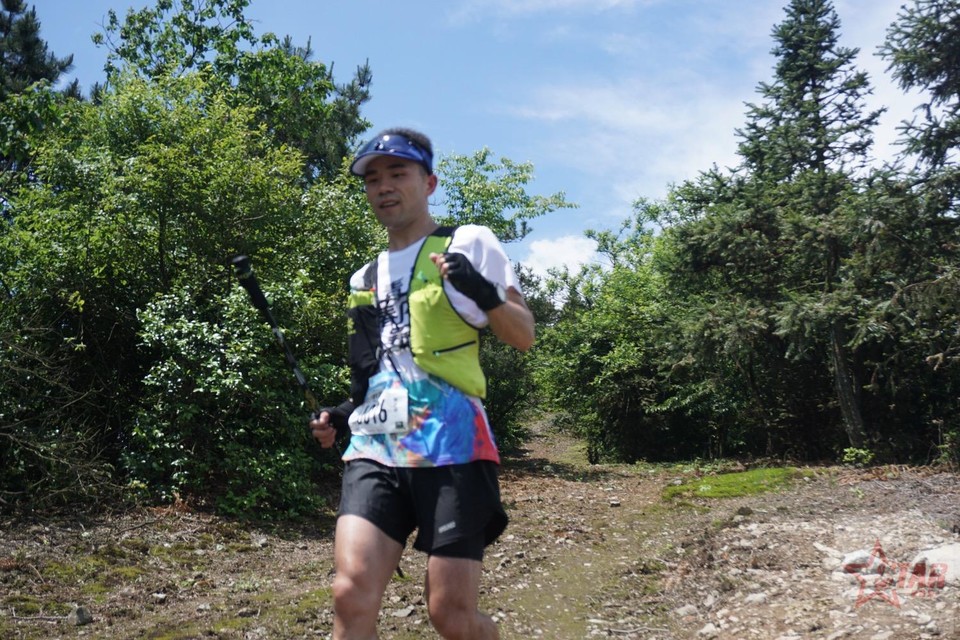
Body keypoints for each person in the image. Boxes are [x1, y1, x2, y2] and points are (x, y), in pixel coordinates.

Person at [309, 127, 535, 640]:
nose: (384, 186)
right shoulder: (363, 278)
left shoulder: (468, 243)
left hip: (453, 446)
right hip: (376, 448)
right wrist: (341, 414)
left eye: (398, 173)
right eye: (373, 179)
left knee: (450, 615)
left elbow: (523, 335)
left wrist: (485, 294)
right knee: (349, 592)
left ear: (429, 182)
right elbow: (373, 373)